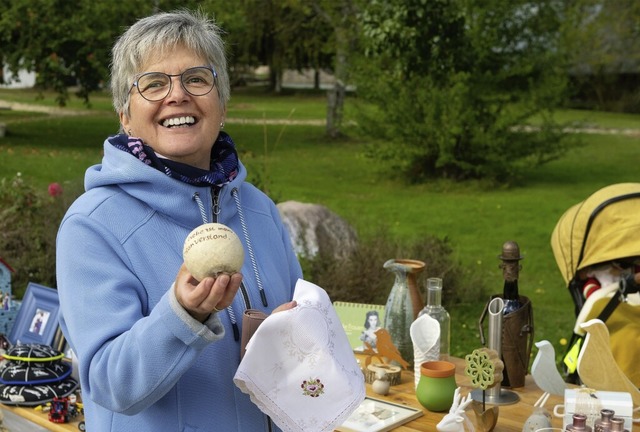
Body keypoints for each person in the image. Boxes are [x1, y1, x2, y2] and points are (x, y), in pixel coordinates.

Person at [56, 10, 302, 432]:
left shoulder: (259, 210)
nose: (177, 95)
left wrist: (299, 336)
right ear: (125, 114)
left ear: (221, 103)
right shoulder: (92, 226)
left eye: (196, 79)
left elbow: (302, 334)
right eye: (153, 83)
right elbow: (109, 384)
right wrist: (182, 314)